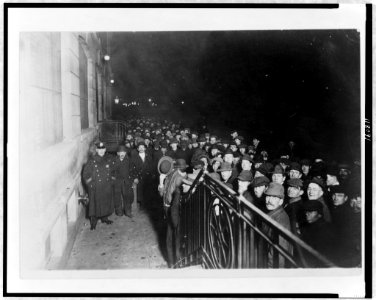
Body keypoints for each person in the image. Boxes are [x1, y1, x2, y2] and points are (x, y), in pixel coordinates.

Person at [82, 142, 115, 230]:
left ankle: (105, 218)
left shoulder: (108, 159)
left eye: (103, 149)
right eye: (99, 149)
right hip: (96, 187)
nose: (101, 151)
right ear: (96, 150)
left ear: (105, 150)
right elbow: (86, 175)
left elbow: (113, 171)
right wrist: (91, 185)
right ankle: (93, 222)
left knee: (106, 202)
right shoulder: (91, 161)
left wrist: (112, 181)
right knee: (94, 205)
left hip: (106, 186)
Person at [262, 182, 292, 268]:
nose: (269, 201)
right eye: (268, 196)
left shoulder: (281, 219)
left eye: (274, 197)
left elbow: (280, 253)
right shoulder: (272, 213)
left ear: (281, 201)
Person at [300, 200, 336, 267]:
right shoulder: (309, 226)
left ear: (319, 214)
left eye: (310, 211)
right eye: (306, 211)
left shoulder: (325, 230)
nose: (307, 214)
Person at [130, 141, 153, 210]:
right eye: (140, 147)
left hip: (147, 177)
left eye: (143, 147)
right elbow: (132, 169)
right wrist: (135, 177)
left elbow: (151, 167)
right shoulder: (134, 158)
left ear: (145, 148)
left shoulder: (149, 157)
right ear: (137, 149)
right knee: (140, 191)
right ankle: (141, 205)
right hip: (139, 177)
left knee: (148, 191)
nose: (141, 149)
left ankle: (147, 205)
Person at [112, 145, 133, 218]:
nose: (122, 154)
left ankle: (128, 211)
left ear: (126, 153)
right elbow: (112, 170)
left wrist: (130, 179)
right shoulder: (114, 160)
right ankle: (119, 211)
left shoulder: (128, 160)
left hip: (126, 181)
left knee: (127, 196)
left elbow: (131, 170)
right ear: (117, 153)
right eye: (120, 152)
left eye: (123, 152)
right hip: (117, 182)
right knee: (117, 197)